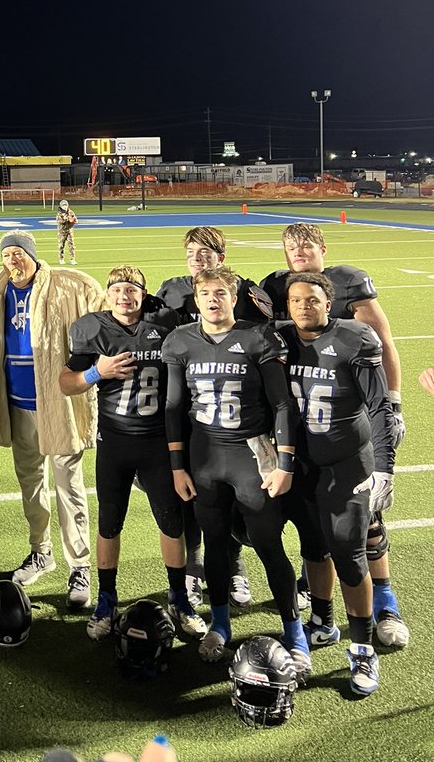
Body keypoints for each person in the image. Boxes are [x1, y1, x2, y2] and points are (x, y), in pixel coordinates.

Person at [260, 222, 409, 646]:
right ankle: (324, 613)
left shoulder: (349, 288)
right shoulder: (280, 296)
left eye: (306, 244)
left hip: (348, 421)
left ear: (322, 248)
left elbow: (384, 342)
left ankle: (384, 604)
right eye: (291, 245)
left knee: (363, 530)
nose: (298, 251)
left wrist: (393, 405)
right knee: (316, 538)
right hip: (305, 440)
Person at [163, 267, 310, 677]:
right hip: (205, 456)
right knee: (214, 543)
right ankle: (220, 624)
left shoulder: (256, 337)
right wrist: (178, 467)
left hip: (250, 454)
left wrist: (284, 463)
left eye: (221, 293)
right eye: (206, 293)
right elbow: (174, 408)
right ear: (196, 300)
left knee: (267, 543)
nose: (213, 300)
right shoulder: (180, 341)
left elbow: (282, 405)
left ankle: (294, 631)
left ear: (233, 298)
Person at [62, 266, 206, 642]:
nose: (125, 296)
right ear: (108, 296)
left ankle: (178, 598)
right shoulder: (92, 329)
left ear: (143, 294)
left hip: (158, 442)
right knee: (109, 522)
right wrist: (97, 372)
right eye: (118, 290)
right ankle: (107, 598)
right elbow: (66, 383)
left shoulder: (165, 325)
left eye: (132, 290)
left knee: (170, 522)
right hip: (114, 443)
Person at [0, 231, 103, 608]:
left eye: (19, 254)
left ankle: (79, 565)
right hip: (17, 403)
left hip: (56, 404)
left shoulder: (64, 285)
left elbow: (97, 307)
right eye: (7, 254)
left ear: (32, 255)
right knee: (30, 482)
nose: (13, 261)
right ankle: (41, 551)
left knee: (69, 487)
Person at [278, 272, 394, 696]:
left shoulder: (354, 339)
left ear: (328, 303)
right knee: (313, 547)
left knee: (349, 555)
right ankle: (323, 621)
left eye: (312, 300)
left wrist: (385, 467)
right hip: (303, 465)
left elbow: (380, 406)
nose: (304, 306)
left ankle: (362, 646)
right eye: (295, 300)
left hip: (346, 463)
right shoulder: (280, 339)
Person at [156, 226, 271, 607]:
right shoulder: (170, 290)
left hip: (237, 414)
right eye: (191, 251)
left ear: (221, 257)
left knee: (232, 501)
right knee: (190, 496)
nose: (198, 258)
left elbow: (268, 343)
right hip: (190, 412)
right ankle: (193, 569)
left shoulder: (245, 290)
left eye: (206, 252)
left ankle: (234, 569)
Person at [56, 199, 78, 265]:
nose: (64, 207)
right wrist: (66, 219)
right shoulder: (59, 213)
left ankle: (72, 259)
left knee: (71, 245)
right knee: (61, 246)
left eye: (65, 205)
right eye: (63, 205)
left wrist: (73, 220)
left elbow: (76, 220)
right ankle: (61, 259)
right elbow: (60, 221)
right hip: (62, 232)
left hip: (69, 231)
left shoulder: (71, 212)